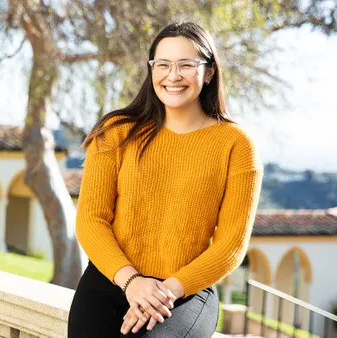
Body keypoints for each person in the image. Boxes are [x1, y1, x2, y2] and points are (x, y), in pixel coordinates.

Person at [67, 22, 263, 338]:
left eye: (186, 65)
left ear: (209, 71)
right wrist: (132, 281)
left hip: (184, 292)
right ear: (151, 69)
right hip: (112, 279)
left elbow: (230, 246)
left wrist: (164, 290)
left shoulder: (236, 145)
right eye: (163, 64)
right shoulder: (116, 132)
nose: (173, 76)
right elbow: (91, 220)